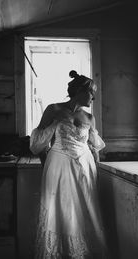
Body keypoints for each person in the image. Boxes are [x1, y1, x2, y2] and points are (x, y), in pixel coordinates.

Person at [30, 70, 108, 258]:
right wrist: (46, 167)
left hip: (84, 169)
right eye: (92, 92)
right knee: (61, 209)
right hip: (58, 168)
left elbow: (94, 148)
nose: (94, 97)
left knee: (83, 209)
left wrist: (96, 172)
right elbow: (38, 144)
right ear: (81, 91)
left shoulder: (90, 118)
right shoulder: (53, 109)